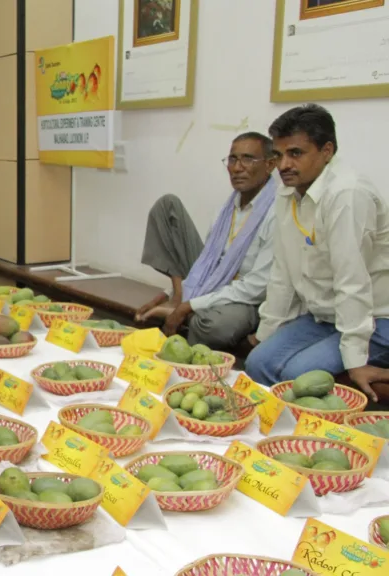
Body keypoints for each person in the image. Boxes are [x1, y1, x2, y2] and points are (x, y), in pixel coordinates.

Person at [245, 104, 389, 403]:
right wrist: (266, 331)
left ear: (327, 151)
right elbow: (282, 272)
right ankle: (279, 435)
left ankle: (314, 438)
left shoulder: (347, 194)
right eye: (279, 154)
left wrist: (355, 359)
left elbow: (353, 282)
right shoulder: (287, 191)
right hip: (325, 317)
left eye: (295, 153)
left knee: (297, 375)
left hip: (376, 319)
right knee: (258, 363)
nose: (283, 165)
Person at [136, 133, 279, 351]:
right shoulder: (228, 206)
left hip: (246, 298)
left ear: (270, 164)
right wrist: (169, 294)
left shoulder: (278, 211)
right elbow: (206, 264)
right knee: (167, 206)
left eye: (248, 159)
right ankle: (179, 298)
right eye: (232, 159)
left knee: (213, 326)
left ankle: (187, 312)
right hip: (214, 282)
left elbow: (257, 287)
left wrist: (190, 306)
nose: (237, 168)